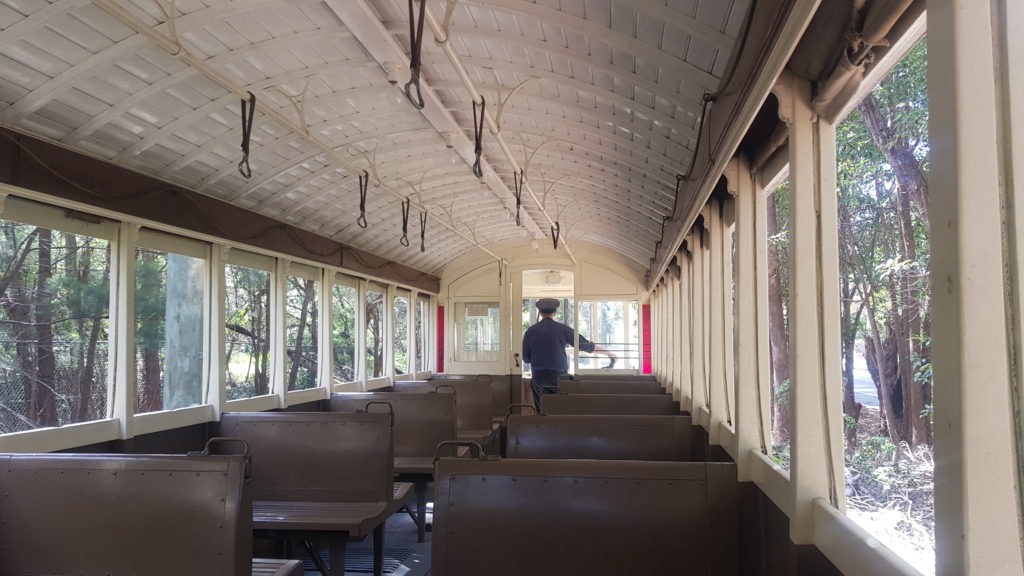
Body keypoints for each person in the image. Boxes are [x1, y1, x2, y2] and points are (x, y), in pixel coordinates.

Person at [522, 298, 617, 411]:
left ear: (540, 313)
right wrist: (608, 353)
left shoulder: (530, 331)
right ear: (555, 313)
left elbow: (526, 359)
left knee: (542, 412)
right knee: (561, 410)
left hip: (539, 377)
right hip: (559, 377)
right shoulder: (563, 329)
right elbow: (584, 345)